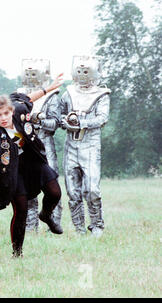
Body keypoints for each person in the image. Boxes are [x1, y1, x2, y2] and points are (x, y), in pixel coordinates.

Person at [0, 74, 64, 257]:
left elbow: (30, 99)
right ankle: (17, 253)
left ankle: (46, 215)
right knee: (21, 209)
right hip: (11, 170)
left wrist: (50, 88)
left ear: (11, 111)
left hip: (33, 159)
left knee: (55, 192)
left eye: (6, 113)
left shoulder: (20, 111)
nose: (4, 118)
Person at [59, 56, 110, 237]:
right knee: (72, 190)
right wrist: (65, 121)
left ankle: (97, 224)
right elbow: (60, 114)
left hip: (90, 144)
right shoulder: (69, 93)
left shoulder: (101, 94)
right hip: (71, 144)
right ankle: (79, 228)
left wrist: (81, 123)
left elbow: (102, 118)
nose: (82, 75)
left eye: (86, 71)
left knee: (92, 188)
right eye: (79, 71)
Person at [17, 58, 63, 233]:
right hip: (25, 147)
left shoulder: (53, 96)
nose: (30, 77)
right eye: (27, 74)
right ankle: (30, 228)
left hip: (45, 144)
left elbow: (56, 123)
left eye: (34, 74)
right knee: (28, 188)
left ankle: (53, 222)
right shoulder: (18, 94)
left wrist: (40, 119)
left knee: (52, 187)